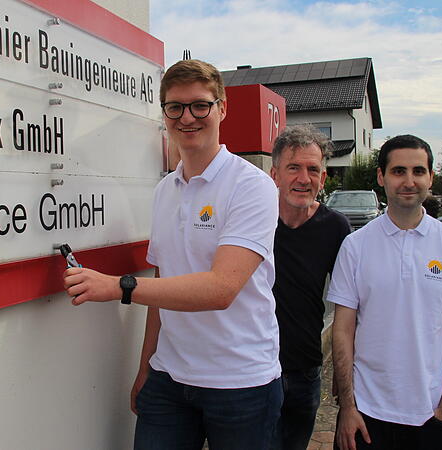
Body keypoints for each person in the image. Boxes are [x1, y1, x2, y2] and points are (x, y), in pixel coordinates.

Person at [63, 59, 282, 450]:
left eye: (200, 105)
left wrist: (119, 287)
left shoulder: (252, 186)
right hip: (170, 379)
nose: (187, 118)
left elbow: (221, 289)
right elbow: (164, 282)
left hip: (240, 383)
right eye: (175, 107)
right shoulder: (165, 190)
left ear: (222, 108)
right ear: (163, 113)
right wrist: (146, 365)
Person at [329, 135, 442, 450]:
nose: (409, 181)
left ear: (430, 178)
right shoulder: (356, 246)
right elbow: (342, 331)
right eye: (399, 171)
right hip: (367, 413)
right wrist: (348, 405)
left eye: (418, 171)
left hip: (431, 415)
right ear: (382, 177)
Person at [269, 125, 351, 450]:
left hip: (305, 371)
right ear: (275, 174)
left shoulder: (335, 228)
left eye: (312, 169)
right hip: (254, 372)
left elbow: (349, 305)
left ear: (323, 178)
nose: (304, 178)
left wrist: (346, 382)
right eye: (294, 168)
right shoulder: (253, 219)